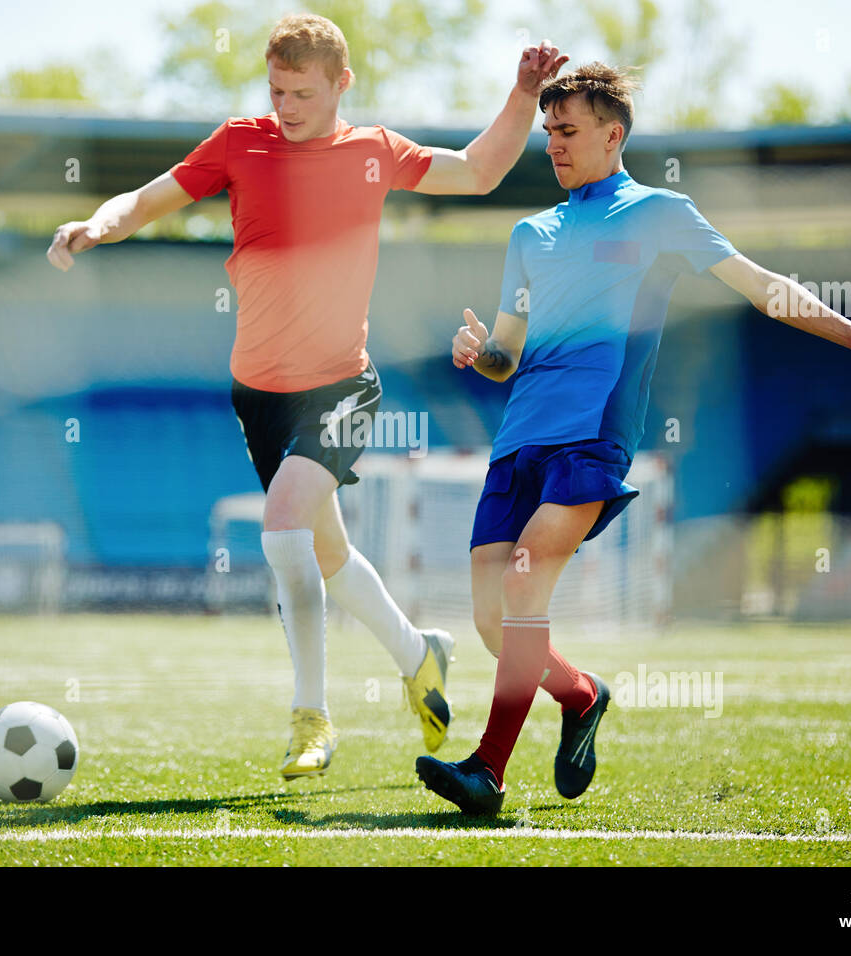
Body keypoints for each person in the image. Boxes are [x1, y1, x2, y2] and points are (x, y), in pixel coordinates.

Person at [46, 13, 569, 779]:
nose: (285, 105)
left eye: (301, 92)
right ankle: (418, 653)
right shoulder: (238, 142)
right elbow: (150, 199)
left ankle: (311, 715)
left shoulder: (373, 151)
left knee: (283, 526)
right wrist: (95, 224)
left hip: (341, 385)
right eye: (276, 90)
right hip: (257, 395)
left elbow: (479, 170)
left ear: (340, 85)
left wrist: (522, 96)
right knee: (324, 554)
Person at [416, 63, 851, 814]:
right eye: (548, 131)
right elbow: (507, 354)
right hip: (520, 439)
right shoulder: (530, 233)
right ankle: (582, 697)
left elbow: (761, 285)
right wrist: (479, 350)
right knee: (494, 619)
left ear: (613, 135)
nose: (552, 143)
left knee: (523, 586)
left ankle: (487, 769)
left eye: (568, 131)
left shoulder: (659, 214)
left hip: (593, 437)